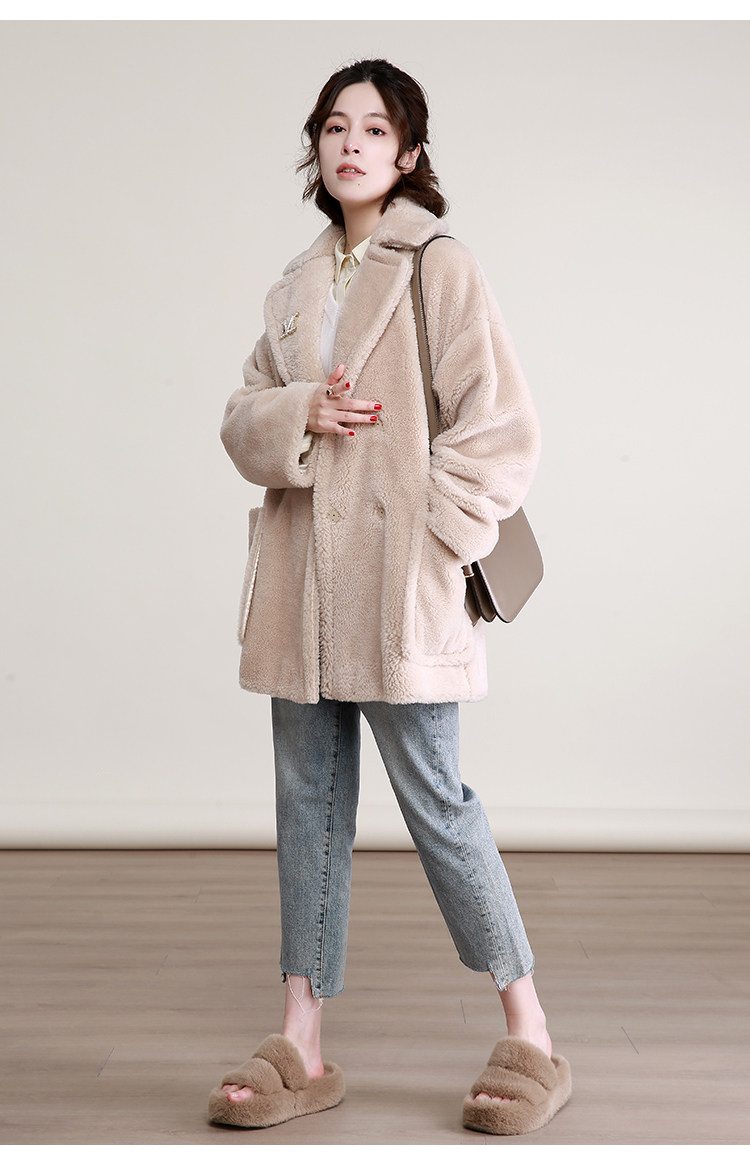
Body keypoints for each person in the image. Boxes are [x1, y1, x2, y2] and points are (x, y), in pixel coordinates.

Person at [208, 58, 571, 1136]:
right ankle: (302, 1037)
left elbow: (502, 427)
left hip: (396, 583)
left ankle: (532, 1030)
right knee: (306, 803)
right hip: (302, 586)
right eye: (335, 126)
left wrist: (430, 538)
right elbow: (240, 414)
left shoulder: (438, 264)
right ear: (316, 149)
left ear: (409, 153)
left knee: (438, 801)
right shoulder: (294, 286)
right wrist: (299, 415)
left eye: (375, 128)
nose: (352, 143)